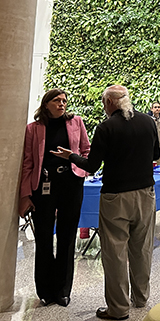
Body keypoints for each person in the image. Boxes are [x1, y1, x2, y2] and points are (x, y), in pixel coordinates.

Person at [52, 85, 160, 321]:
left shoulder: (106, 127)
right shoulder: (148, 122)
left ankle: (118, 309)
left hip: (116, 197)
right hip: (145, 194)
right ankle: (141, 298)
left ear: (110, 103)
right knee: (142, 248)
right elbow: (154, 156)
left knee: (115, 252)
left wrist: (70, 155)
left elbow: (91, 166)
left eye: (104, 103)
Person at [18, 89, 91, 307]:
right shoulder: (34, 128)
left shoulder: (76, 122)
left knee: (67, 238)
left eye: (64, 101)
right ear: (46, 104)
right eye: (57, 101)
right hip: (43, 187)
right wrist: (25, 194)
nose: (62, 104)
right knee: (43, 237)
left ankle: (63, 290)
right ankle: (45, 291)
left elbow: (86, 151)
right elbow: (28, 162)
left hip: (71, 184)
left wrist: (81, 169)